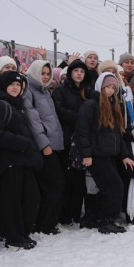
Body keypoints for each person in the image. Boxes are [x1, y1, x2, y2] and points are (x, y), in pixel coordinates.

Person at [0, 72, 42, 249]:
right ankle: (15, 237)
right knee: (13, 202)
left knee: (30, 198)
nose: (16, 87)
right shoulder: (1, 105)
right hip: (10, 161)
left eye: (19, 85)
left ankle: (22, 233)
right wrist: (23, 143)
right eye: (12, 84)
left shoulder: (17, 105)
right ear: (4, 86)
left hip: (22, 160)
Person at [75, 72, 134, 234]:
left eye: (113, 88)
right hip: (96, 156)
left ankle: (101, 218)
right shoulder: (91, 105)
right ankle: (106, 221)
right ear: (100, 87)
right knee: (115, 187)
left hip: (110, 155)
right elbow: (82, 131)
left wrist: (124, 155)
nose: (110, 90)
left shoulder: (113, 105)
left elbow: (118, 134)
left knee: (110, 188)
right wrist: (86, 154)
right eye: (107, 87)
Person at [24, 60, 65, 235]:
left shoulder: (44, 91)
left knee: (54, 185)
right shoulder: (29, 91)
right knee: (53, 185)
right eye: (42, 73)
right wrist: (44, 144)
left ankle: (48, 222)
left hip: (54, 144)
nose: (46, 76)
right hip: (45, 146)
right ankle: (44, 224)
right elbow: (33, 121)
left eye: (48, 74)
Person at [52, 59, 90, 225]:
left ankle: (75, 212)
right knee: (66, 177)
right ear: (70, 73)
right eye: (76, 71)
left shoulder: (86, 91)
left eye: (82, 71)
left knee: (80, 178)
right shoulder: (61, 90)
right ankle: (64, 215)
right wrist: (81, 118)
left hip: (82, 140)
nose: (79, 74)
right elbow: (59, 111)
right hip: (66, 138)